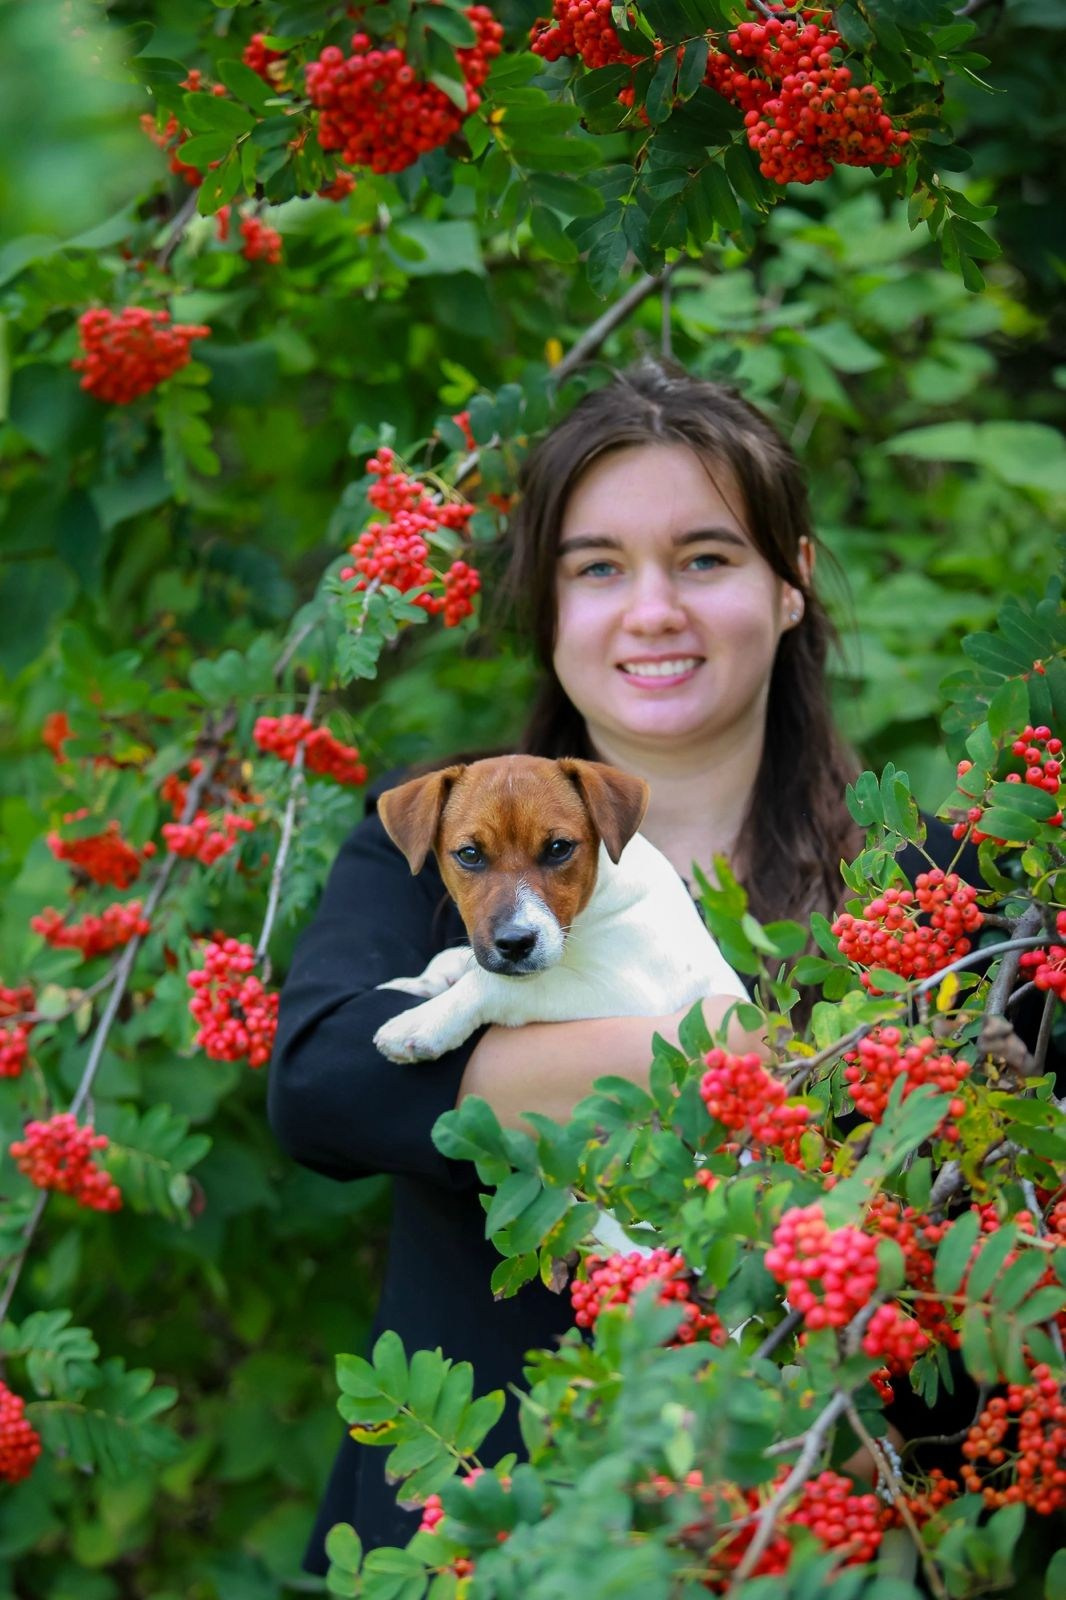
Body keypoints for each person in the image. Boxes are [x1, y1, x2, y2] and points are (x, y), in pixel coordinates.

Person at [267, 359, 963, 1574]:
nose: (651, 611)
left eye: (704, 557)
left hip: (811, 1527)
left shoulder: (923, 889)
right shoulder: (438, 847)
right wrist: (694, 1059)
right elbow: (322, 1081)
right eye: (598, 567)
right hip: (472, 1529)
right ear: (545, 604)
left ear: (790, 584)